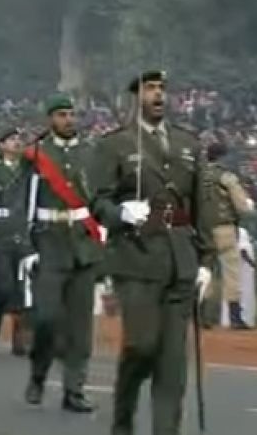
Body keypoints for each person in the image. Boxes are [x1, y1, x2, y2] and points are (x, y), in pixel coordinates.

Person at [90, 71, 215, 435]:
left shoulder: (187, 143)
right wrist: (119, 213)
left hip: (179, 261)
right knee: (142, 346)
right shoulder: (115, 144)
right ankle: (122, 415)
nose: (158, 95)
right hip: (136, 256)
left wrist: (205, 261)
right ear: (136, 96)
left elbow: (202, 205)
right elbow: (96, 200)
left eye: (162, 89)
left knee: (172, 366)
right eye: (150, 89)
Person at [23, 94, 102, 413]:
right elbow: (22, 203)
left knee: (81, 328)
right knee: (46, 320)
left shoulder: (90, 153)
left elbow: (99, 201)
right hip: (49, 245)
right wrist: (26, 248)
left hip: (83, 248)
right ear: (50, 119)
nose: (68, 120)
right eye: (61, 115)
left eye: (71, 114)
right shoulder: (36, 155)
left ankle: (74, 390)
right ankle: (38, 374)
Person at [0, 127, 33, 355]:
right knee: (2, 287)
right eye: (10, 139)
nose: (15, 143)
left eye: (17, 139)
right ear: (1, 145)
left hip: (21, 234)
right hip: (0, 236)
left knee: (22, 288)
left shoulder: (26, 171)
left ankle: (19, 340)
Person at [206, 140, 253, 330]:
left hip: (202, 231)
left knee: (204, 273)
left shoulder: (198, 176)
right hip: (225, 229)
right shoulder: (227, 178)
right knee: (231, 273)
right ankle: (235, 317)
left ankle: (201, 315)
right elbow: (242, 206)